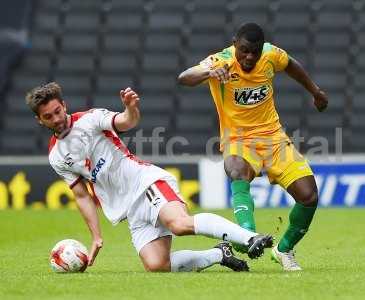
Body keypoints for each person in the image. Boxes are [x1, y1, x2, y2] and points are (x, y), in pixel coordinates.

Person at [25, 82, 274, 273]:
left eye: (57, 111)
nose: (56, 119)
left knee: (179, 223)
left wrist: (130, 109)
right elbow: (81, 196)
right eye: (48, 116)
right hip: (128, 209)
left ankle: (250, 238)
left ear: (64, 105)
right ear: (39, 120)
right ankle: (220, 254)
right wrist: (96, 236)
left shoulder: (90, 119)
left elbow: (125, 122)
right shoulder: (56, 156)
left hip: (145, 183)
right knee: (157, 265)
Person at [177, 23, 328, 271]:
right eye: (244, 50)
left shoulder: (270, 55)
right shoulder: (220, 61)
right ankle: (246, 236)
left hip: (274, 138)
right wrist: (210, 73)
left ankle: (283, 250)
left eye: (254, 52)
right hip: (238, 139)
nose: (249, 57)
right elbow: (184, 78)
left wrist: (315, 91)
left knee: (309, 196)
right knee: (237, 169)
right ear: (235, 43)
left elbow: (291, 65)